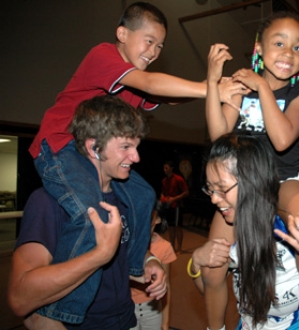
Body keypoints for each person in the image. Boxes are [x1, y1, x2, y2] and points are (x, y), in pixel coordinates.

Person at [27, 1, 246, 324]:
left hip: (95, 157)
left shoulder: (129, 82)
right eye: (149, 41)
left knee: (143, 195)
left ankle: (134, 266)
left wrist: (212, 90)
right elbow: (152, 84)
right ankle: (64, 307)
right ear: (121, 33)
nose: (154, 51)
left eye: (160, 46)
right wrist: (210, 87)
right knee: (90, 211)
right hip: (60, 147)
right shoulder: (103, 56)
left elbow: (167, 95)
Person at [203, 10, 299, 328]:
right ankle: (214, 326)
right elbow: (219, 137)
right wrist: (214, 83)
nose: (288, 53)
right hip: (243, 185)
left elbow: (283, 139)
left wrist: (262, 86)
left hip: (285, 179)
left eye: (298, 47)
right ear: (259, 48)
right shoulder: (241, 87)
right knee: (213, 260)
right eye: (279, 43)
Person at [8, 95, 167, 329]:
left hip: (125, 321)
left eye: (136, 147)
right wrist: (100, 254)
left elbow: (120, 260)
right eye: (125, 147)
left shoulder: (127, 197)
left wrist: (149, 261)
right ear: (93, 147)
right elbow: (20, 298)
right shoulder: (48, 201)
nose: (136, 157)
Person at [188, 133, 299, 329]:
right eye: (210, 189)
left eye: (222, 188)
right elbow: (209, 289)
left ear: (252, 180)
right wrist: (197, 263)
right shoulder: (229, 225)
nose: (214, 199)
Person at [130, 201, 177, 330]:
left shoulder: (164, 247)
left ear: (157, 219)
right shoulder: (127, 245)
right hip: (126, 307)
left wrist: (165, 323)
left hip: (152, 308)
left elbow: (166, 286)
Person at [161, 160, 189, 254]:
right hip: (169, 206)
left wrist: (174, 199)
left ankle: (179, 248)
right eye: (164, 168)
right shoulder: (164, 180)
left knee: (178, 227)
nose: (165, 170)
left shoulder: (178, 179)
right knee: (171, 227)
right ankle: (172, 247)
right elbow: (163, 193)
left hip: (177, 206)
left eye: (166, 168)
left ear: (171, 168)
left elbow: (186, 192)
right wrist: (162, 197)